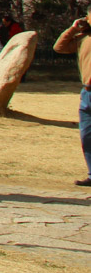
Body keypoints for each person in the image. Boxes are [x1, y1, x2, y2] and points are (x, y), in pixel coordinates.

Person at [52, 12, 91, 188]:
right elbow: (59, 47)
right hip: (87, 93)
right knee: (87, 136)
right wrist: (73, 29)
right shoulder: (83, 38)